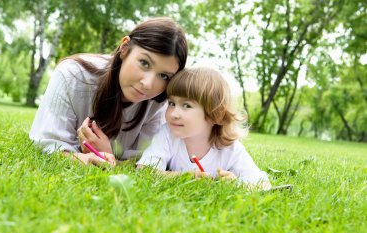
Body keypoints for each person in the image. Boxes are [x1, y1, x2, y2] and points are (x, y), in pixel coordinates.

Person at [29, 17, 188, 166]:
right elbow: (48, 144)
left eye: (164, 76)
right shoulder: (72, 75)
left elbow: (146, 161)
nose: (148, 84)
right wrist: (89, 158)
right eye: (144, 63)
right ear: (125, 47)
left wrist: (107, 154)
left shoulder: (158, 103)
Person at [137, 67, 271, 190]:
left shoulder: (230, 148)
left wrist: (236, 183)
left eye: (186, 106)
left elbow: (263, 184)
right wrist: (185, 177)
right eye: (172, 103)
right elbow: (144, 170)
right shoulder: (167, 133)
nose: (173, 114)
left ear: (214, 115)